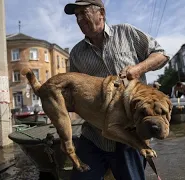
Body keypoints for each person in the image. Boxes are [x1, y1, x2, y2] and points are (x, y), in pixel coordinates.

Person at [64, 0, 169, 179]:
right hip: (93, 136)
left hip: (130, 137)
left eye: (84, 13)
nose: (80, 19)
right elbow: (72, 91)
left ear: (101, 13)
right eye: (77, 16)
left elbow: (161, 55)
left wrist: (138, 69)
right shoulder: (76, 53)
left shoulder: (126, 32)